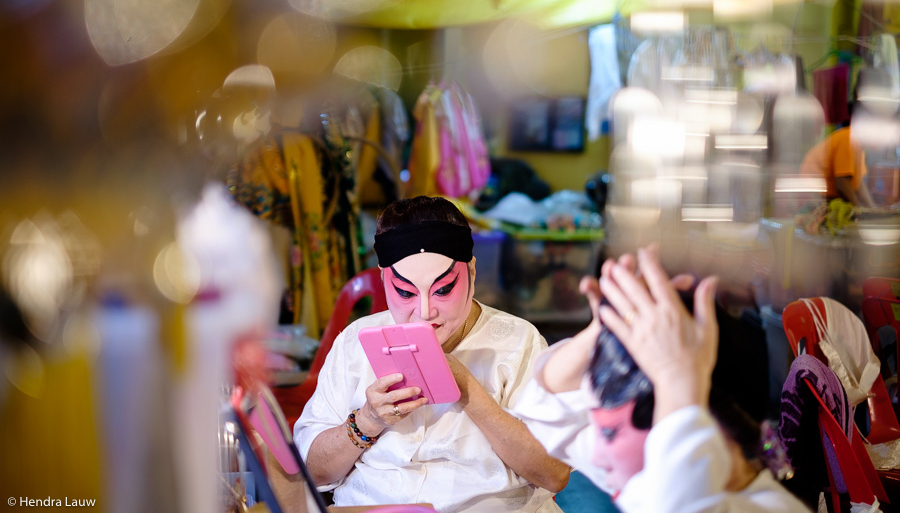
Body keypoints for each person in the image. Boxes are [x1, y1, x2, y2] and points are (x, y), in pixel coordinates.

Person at [293, 196, 569, 513]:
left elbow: (554, 474)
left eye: (443, 289)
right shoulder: (354, 343)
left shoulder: (518, 342)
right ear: (384, 279)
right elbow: (310, 473)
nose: (425, 311)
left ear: (472, 274)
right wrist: (368, 421)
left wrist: (468, 392)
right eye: (406, 292)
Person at [514, 247, 809, 513]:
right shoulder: (648, 477)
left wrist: (673, 373)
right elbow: (546, 409)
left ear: (701, 425)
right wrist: (604, 328)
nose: (597, 456)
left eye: (609, 433)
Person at [800, 108, 875, 208]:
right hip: (814, 197)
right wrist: (858, 211)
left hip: (827, 197)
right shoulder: (848, 138)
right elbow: (842, 183)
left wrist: (872, 209)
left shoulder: (859, 147)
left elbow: (858, 184)